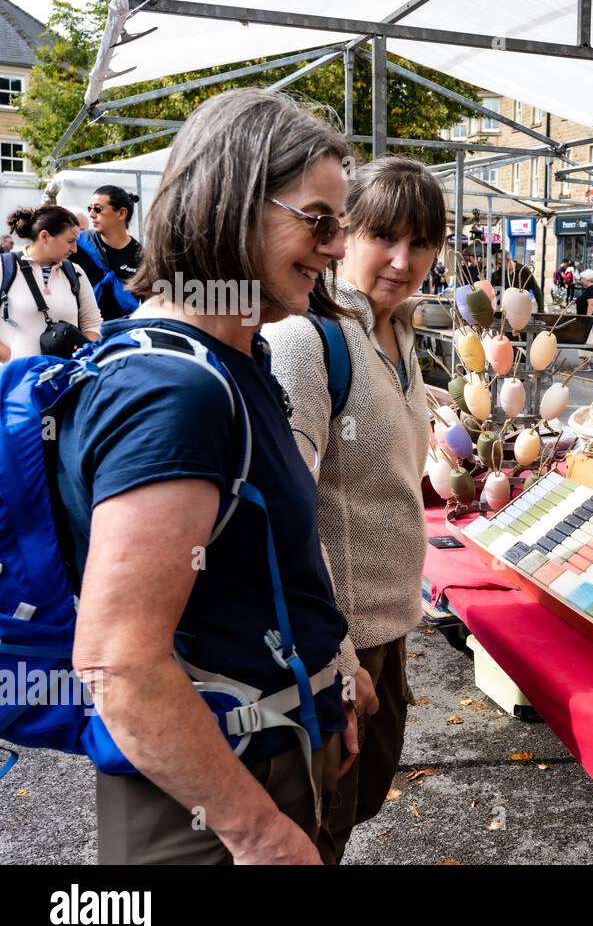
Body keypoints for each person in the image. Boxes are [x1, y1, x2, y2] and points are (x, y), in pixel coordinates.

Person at [60, 88, 352, 864]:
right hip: (208, 806)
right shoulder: (178, 389)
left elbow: (264, 568)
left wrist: (335, 680)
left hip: (262, 754)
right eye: (319, 220)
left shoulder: (234, 357)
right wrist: (258, 833)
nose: (337, 246)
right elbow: (119, 663)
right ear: (233, 204)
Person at [263, 155, 440, 865]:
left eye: (421, 241)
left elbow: (383, 468)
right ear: (344, 234)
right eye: (383, 236)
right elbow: (288, 507)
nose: (403, 259)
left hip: (389, 627)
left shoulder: (400, 336)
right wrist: (335, 655)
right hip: (334, 640)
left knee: (354, 806)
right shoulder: (308, 340)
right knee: (316, 828)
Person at [0, 205, 100, 363]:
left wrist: (80, 358)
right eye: (70, 241)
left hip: (63, 380)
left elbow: (92, 322)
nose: (75, 249)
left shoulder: (75, 272)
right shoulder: (4, 267)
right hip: (14, 380)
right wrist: (12, 359)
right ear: (45, 236)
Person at [71, 184, 143, 323]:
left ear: (121, 213)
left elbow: (148, 303)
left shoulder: (142, 256)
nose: (91, 214)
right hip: (81, 331)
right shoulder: (78, 244)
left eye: (98, 209)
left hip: (121, 333)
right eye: (89, 208)